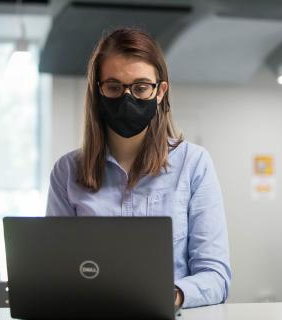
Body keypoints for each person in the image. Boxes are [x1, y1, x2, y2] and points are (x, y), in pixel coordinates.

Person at [46, 27, 231, 309]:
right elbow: (54, 272)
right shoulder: (67, 171)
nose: (127, 97)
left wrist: (169, 295)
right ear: (98, 91)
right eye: (114, 87)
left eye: (141, 87)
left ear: (160, 92)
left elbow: (216, 277)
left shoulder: (194, 164)